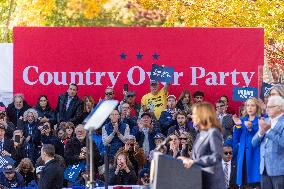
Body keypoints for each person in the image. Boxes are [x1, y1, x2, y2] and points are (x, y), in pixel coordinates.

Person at [178, 102, 225, 189]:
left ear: (202, 115)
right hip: (200, 180)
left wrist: (194, 162)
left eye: (194, 114)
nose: (192, 116)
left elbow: (217, 156)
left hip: (212, 182)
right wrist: (187, 160)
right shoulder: (200, 134)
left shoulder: (213, 132)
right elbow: (197, 157)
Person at [252, 96, 284, 189]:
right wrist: (261, 132)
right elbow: (253, 143)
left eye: (270, 107)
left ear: (279, 107)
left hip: (279, 170)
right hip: (264, 169)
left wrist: (268, 131)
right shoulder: (265, 121)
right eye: (267, 106)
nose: (267, 109)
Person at [233, 98, 261, 188]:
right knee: (244, 183)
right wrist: (237, 125)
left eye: (252, 105)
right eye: (248, 105)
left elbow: (258, 138)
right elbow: (235, 139)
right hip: (243, 156)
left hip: (255, 156)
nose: (250, 108)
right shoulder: (242, 119)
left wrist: (250, 129)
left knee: (254, 183)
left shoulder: (260, 120)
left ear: (257, 107)